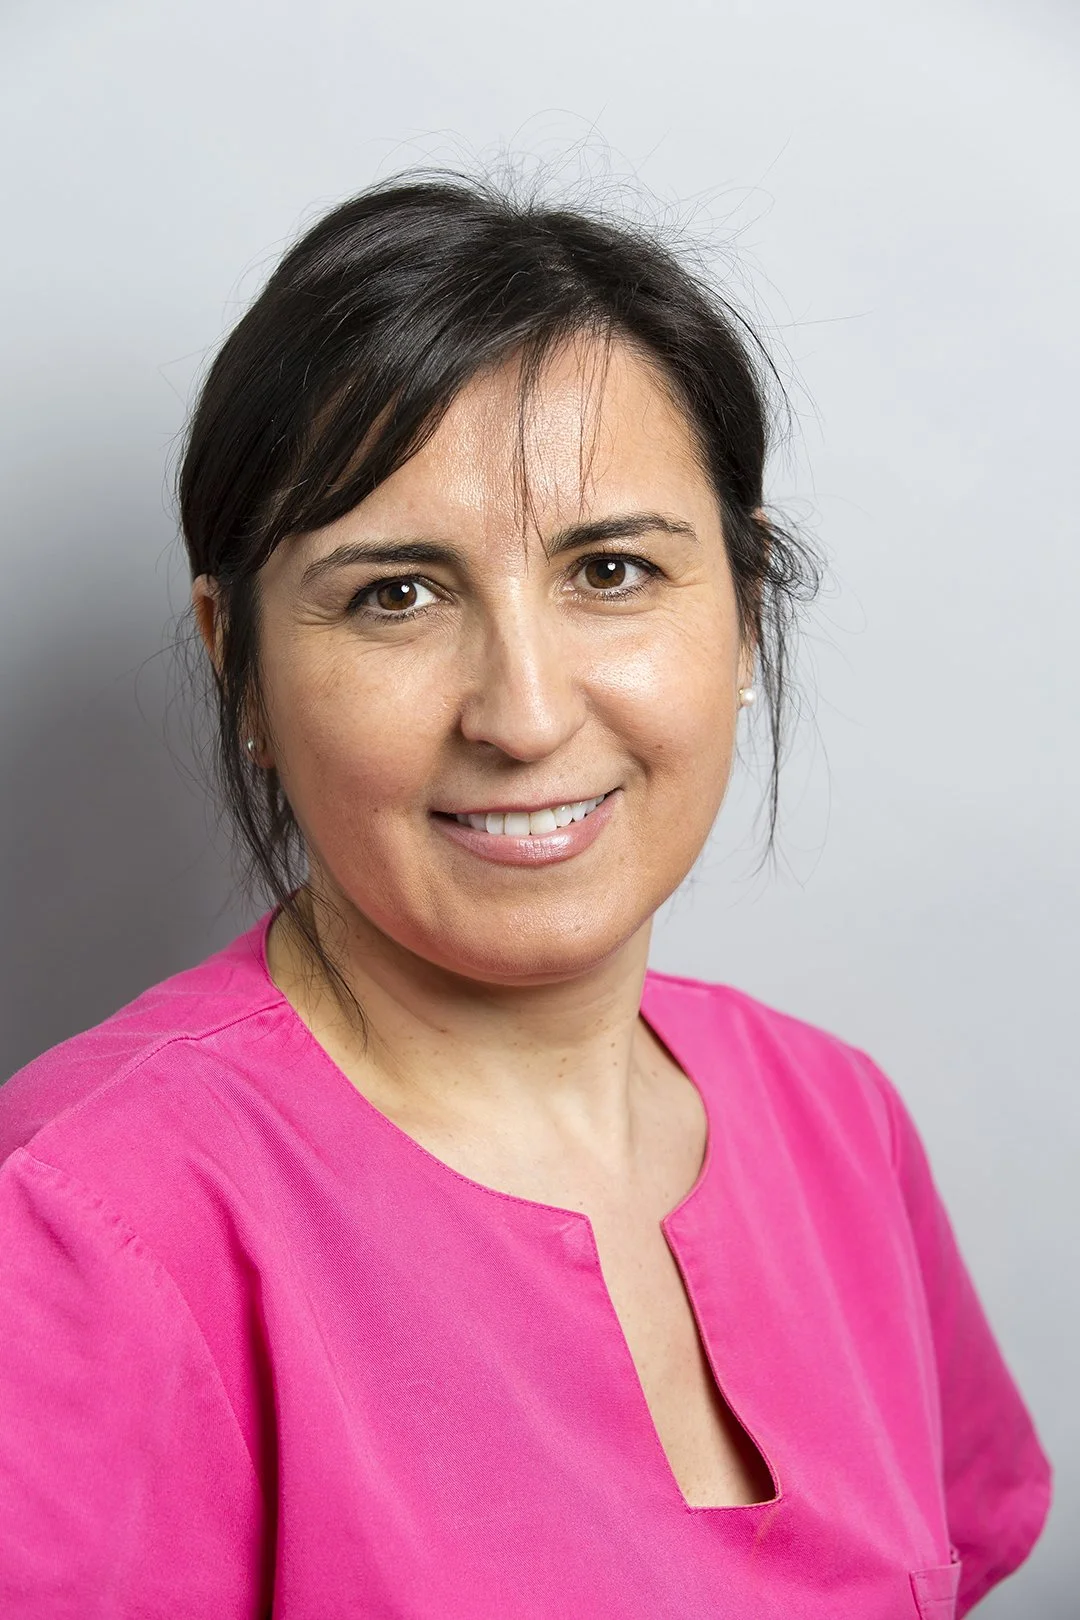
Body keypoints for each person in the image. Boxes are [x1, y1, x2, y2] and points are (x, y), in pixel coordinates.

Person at [0, 174, 1051, 1619]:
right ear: (234, 653)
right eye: (396, 595)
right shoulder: (84, 1222)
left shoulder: (836, 1118)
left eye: (611, 570)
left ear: (742, 607)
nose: (524, 711)